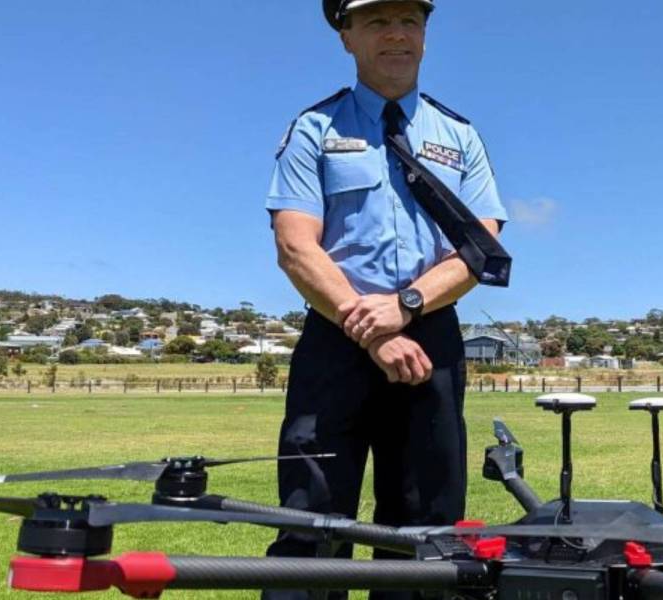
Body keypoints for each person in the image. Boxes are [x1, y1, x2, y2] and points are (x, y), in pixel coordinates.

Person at [262, 1, 507, 598]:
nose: (396, 34)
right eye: (376, 22)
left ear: (425, 35)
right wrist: (371, 328)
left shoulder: (460, 136)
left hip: (430, 341)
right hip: (336, 340)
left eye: (409, 21)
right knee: (312, 523)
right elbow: (295, 247)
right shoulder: (314, 129)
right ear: (346, 37)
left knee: (427, 533)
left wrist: (407, 305)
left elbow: (482, 248)